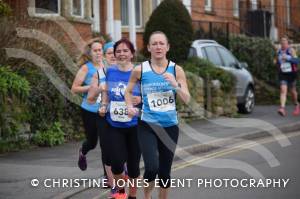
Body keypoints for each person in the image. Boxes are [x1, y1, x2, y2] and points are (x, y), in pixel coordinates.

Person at [125, 31, 190, 199]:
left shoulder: (177, 70)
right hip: (147, 125)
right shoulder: (140, 70)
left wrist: (175, 85)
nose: (158, 46)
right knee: (151, 167)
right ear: (148, 47)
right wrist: (128, 105)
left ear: (167, 47)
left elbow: (186, 98)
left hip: (169, 126)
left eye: (162, 43)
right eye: (154, 43)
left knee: (165, 172)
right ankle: (147, 197)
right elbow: (128, 91)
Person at [100, 38, 141, 199]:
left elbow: (148, 92)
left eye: (125, 51)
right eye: (118, 51)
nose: (122, 54)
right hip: (114, 124)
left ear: (132, 54)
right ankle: (121, 192)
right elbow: (106, 91)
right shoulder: (110, 71)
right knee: (116, 163)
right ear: (114, 54)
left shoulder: (139, 72)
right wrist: (103, 104)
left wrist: (141, 100)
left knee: (133, 167)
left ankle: (132, 195)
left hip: (135, 125)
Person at [71, 38, 109, 180]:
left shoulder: (107, 66)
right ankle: (83, 151)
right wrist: (92, 86)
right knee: (92, 142)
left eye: (100, 50)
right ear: (90, 53)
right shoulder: (86, 68)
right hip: (89, 110)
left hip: (104, 110)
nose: (98, 53)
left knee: (106, 144)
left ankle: (107, 176)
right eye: (95, 50)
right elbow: (74, 88)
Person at [276, 36, 300, 116]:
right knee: (283, 90)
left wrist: (288, 59)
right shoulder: (279, 51)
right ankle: (282, 108)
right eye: (282, 43)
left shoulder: (291, 50)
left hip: (291, 74)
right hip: (283, 74)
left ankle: (297, 105)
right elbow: (277, 62)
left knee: (293, 91)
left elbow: (297, 61)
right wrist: (276, 62)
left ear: (287, 43)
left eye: (284, 43)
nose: (283, 44)